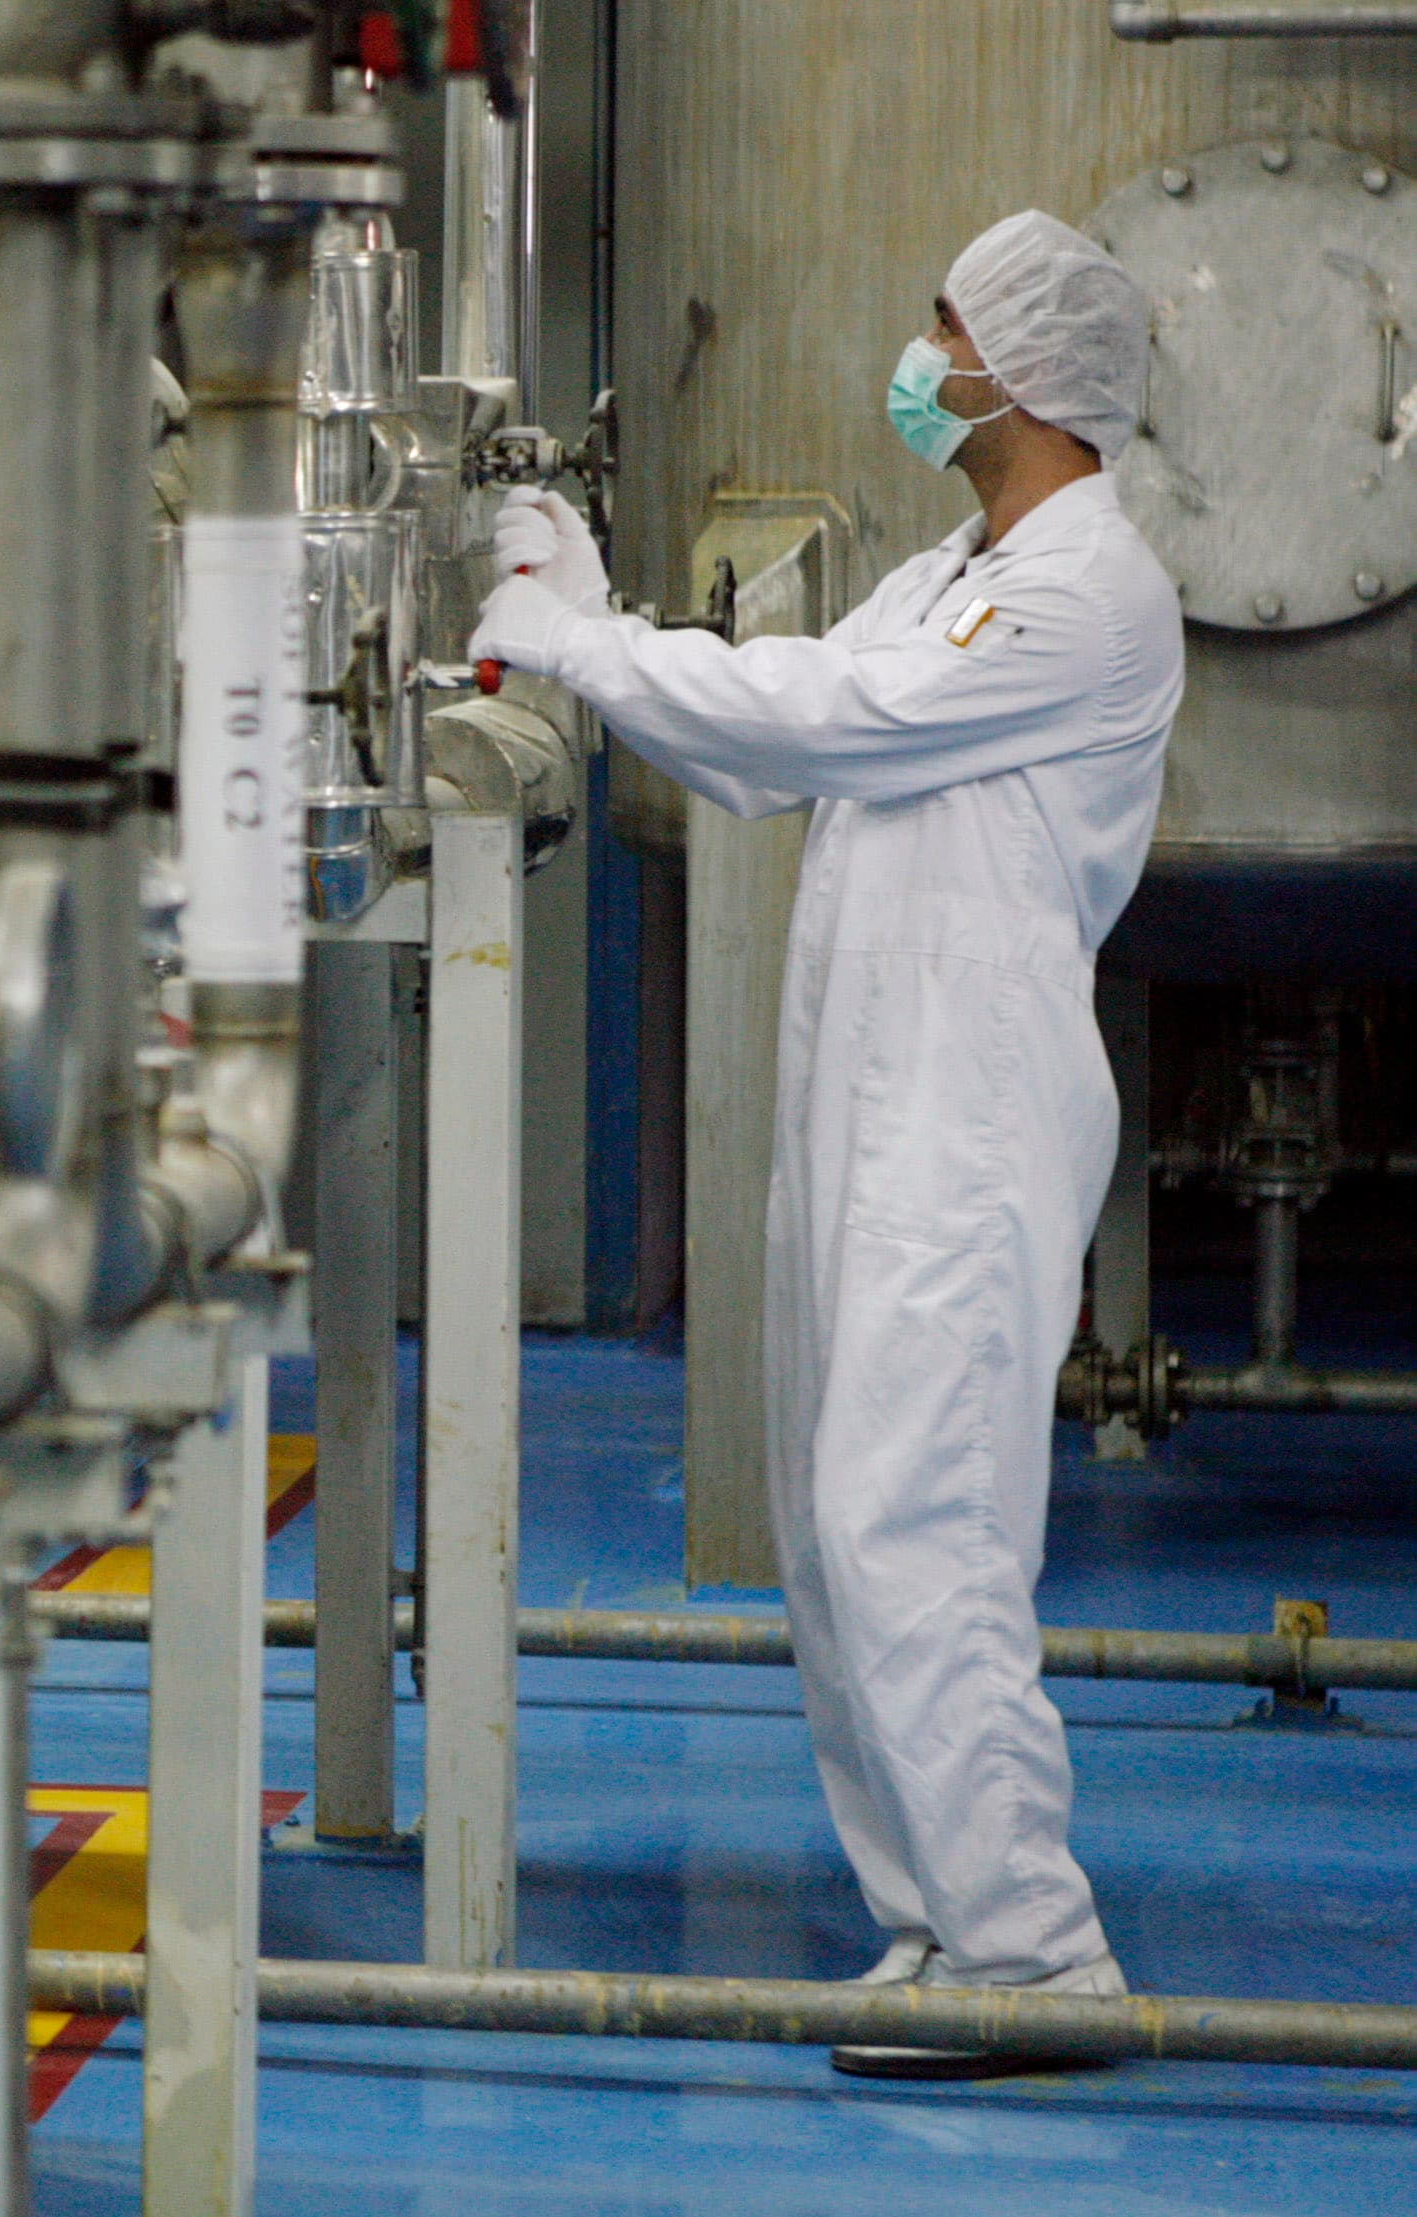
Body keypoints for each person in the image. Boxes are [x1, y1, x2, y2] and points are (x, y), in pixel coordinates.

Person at [469, 210, 1179, 2080]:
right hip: (861, 1101)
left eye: (938, 322)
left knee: (914, 1517)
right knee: (827, 1520)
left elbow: (841, 716)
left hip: (966, 1110)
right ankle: (936, 1920)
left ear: (1017, 374)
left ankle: (1033, 1948)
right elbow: (762, 754)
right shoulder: (957, 562)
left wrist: (585, 641)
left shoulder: (1085, 589)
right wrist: (598, 623)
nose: (914, 350)